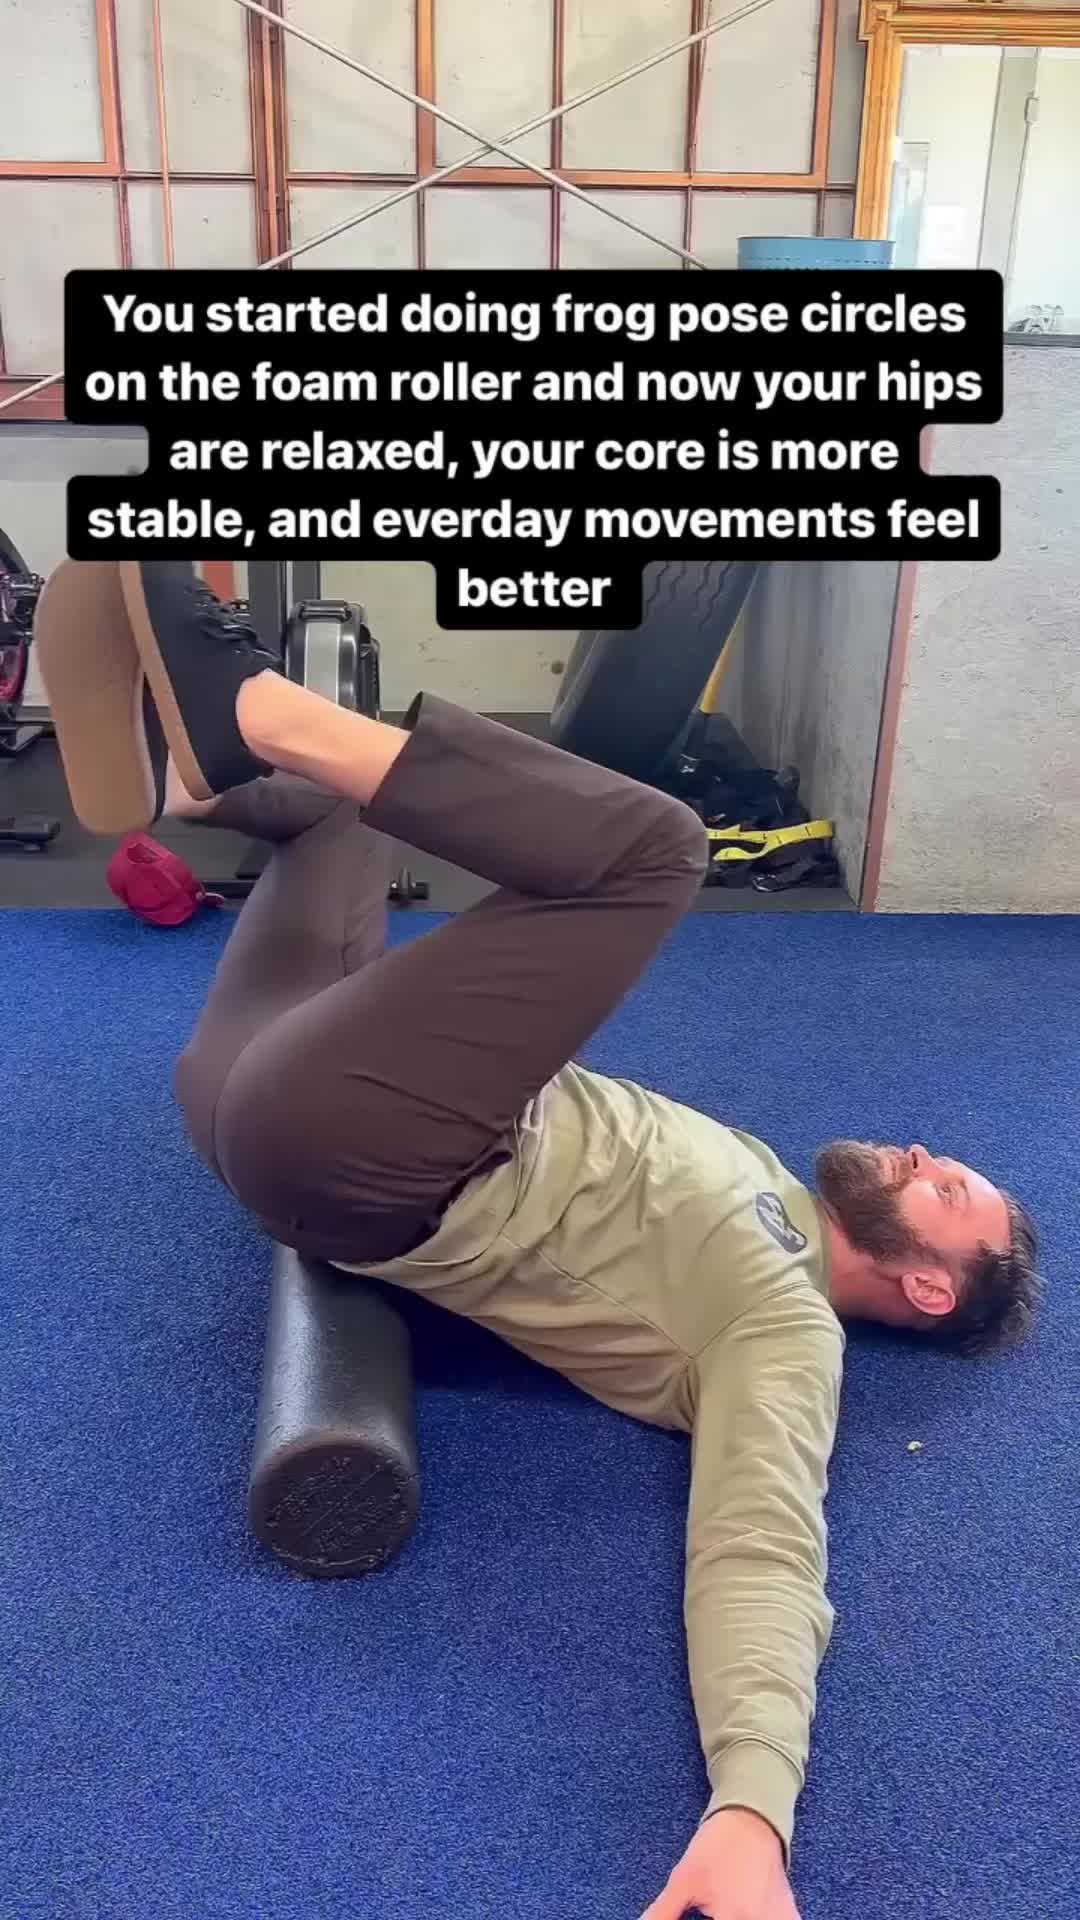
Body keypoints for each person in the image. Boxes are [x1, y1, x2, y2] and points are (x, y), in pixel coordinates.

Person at [35, 558, 1040, 1920]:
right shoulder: (754, 1170)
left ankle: (240, 708)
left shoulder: (783, 1326)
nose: (924, 1155)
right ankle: (194, 783)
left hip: (351, 1144)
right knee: (342, 821)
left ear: (926, 1285)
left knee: (654, 850)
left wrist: (752, 1811)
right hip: (263, 1083)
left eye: (948, 1191)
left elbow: (762, 1546)